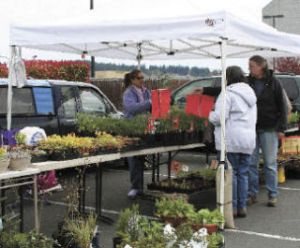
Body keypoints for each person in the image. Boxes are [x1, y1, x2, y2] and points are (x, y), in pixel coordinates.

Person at [198, 55, 288, 207]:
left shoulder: (274, 83)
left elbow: (283, 106)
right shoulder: (249, 82)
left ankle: (272, 194)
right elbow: (231, 88)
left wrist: (282, 128)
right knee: (251, 164)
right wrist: (206, 90)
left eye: (252, 66)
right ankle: (251, 194)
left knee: (270, 163)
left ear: (261, 66)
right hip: (251, 130)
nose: (249, 69)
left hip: (269, 128)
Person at [209, 66, 257, 217]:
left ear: (228, 77)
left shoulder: (227, 93)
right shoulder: (250, 93)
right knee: (243, 174)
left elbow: (219, 118)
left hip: (231, 140)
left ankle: (233, 208)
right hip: (248, 140)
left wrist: (210, 114)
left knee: (231, 174)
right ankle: (242, 206)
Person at [123, 69, 151, 198]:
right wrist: (149, 103)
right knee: (134, 159)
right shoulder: (128, 93)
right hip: (132, 129)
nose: (142, 80)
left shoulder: (146, 91)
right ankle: (135, 187)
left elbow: (153, 106)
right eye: (139, 78)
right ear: (133, 80)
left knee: (141, 158)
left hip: (144, 128)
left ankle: (140, 188)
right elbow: (132, 108)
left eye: (143, 77)